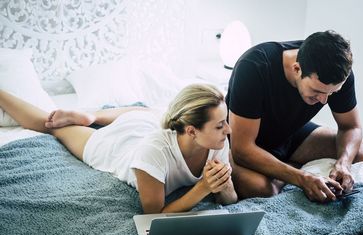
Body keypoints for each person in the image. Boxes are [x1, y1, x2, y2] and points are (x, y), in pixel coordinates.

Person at [0, 83, 237, 214]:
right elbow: (155, 215)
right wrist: (203, 188)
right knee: (50, 125)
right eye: (220, 125)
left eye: (225, 121)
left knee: (147, 114)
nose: (228, 130)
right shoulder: (152, 153)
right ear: (192, 131)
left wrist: (224, 186)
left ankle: (91, 115)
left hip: (145, 123)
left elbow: (231, 199)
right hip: (119, 147)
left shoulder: (216, 142)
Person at [226, 30, 363, 203]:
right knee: (262, 189)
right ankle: (291, 169)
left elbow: (351, 127)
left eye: (332, 93)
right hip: (247, 143)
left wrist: (344, 163)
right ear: (297, 68)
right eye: (317, 91)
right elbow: (242, 149)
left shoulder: (338, 74)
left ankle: (290, 167)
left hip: (291, 133)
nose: (324, 100)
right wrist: (302, 177)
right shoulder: (253, 66)